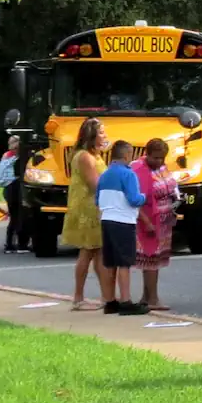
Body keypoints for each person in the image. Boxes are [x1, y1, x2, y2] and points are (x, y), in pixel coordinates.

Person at [60, 118, 113, 310]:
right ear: (91, 136)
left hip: (97, 207)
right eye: (101, 133)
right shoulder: (85, 157)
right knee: (87, 252)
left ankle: (106, 297)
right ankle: (78, 297)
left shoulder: (96, 156)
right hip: (88, 208)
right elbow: (95, 184)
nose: (105, 136)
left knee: (99, 253)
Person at [97, 140, 149, 315]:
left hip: (106, 219)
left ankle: (110, 301)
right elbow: (134, 199)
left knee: (110, 263)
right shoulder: (128, 174)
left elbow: (97, 199)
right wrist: (144, 197)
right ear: (127, 155)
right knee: (124, 263)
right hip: (123, 220)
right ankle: (126, 301)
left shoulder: (104, 175)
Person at [131, 139, 180, 311]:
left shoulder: (160, 167)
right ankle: (153, 299)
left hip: (162, 219)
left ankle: (146, 297)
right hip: (148, 220)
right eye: (156, 158)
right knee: (150, 260)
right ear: (147, 153)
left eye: (162, 158)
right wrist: (146, 221)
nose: (160, 161)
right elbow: (134, 199)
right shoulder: (139, 170)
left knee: (155, 260)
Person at [0, 136, 29, 254]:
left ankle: (9, 245)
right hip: (18, 186)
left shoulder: (6, 156)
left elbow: (0, 176)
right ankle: (22, 245)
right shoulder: (20, 157)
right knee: (22, 216)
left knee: (13, 217)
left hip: (8, 188)